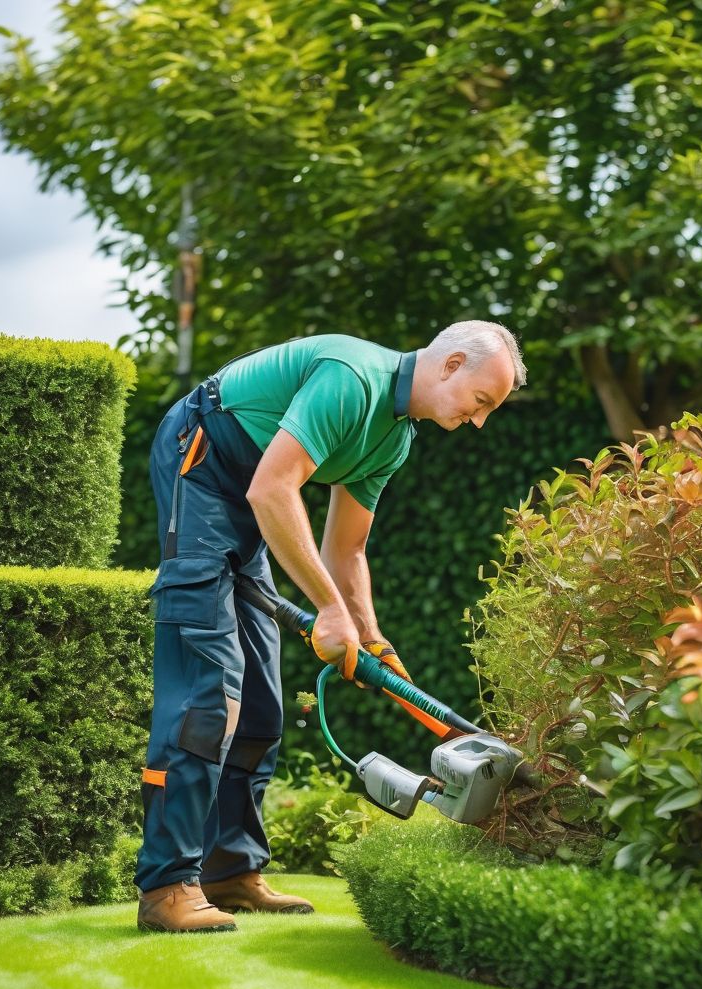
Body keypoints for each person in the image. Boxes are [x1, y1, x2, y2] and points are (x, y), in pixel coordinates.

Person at [135, 320, 526, 932]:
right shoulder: (353, 378)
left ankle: (228, 870)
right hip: (204, 459)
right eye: (482, 403)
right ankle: (166, 886)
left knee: (261, 707)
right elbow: (272, 488)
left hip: (251, 499)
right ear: (451, 364)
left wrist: (372, 639)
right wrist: (329, 609)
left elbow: (347, 551)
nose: (479, 421)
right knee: (208, 695)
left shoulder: (393, 439)